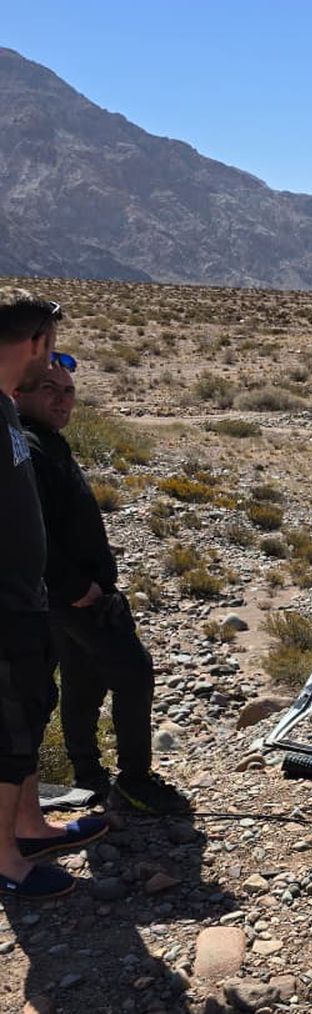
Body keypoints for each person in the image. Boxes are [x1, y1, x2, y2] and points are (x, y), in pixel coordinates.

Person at [17, 356, 189, 814]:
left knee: (81, 680)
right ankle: (134, 780)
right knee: (133, 672)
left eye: (69, 391)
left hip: (70, 592)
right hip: (72, 593)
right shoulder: (28, 448)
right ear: (19, 392)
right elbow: (30, 531)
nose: (62, 400)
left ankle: (89, 776)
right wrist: (78, 589)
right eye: (50, 390)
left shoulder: (45, 442)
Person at [0, 288, 106, 900]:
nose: (56, 362)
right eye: (53, 346)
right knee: (6, 731)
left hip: (25, 597)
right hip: (3, 606)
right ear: (38, 343)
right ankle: (6, 859)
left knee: (29, 714)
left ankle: (30, 825)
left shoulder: (7, 410)